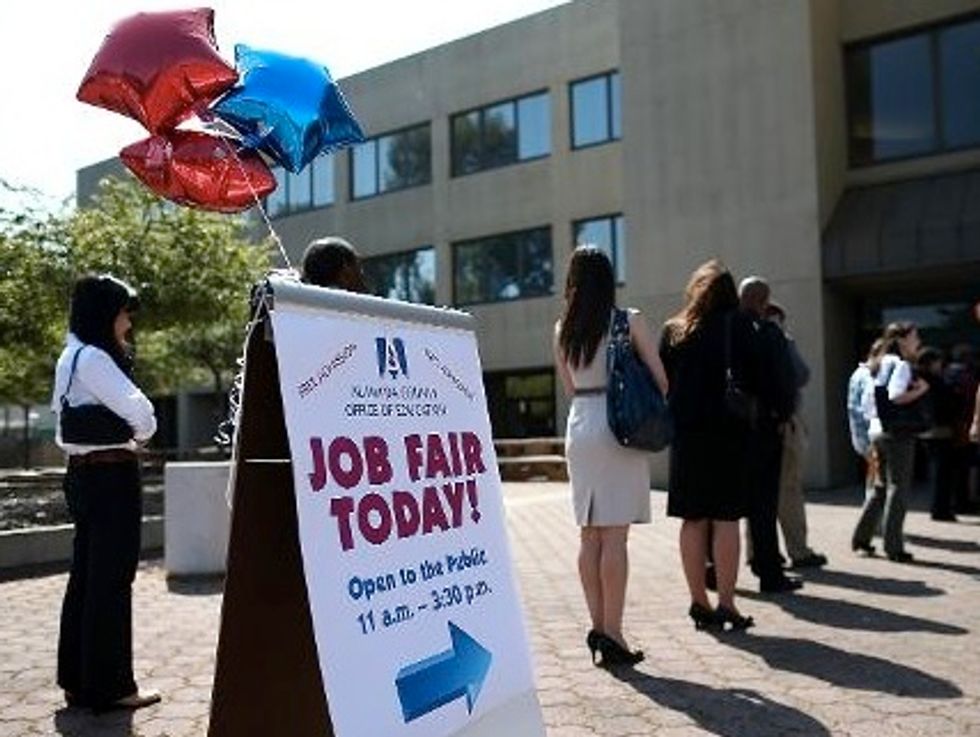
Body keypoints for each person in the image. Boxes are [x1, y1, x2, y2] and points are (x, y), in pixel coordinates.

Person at [554, 246, 668, 666]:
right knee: (615, 537)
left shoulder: (563, 327)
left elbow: (571, 388)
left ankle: (598, 627)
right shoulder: (628, 320)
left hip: (580, 425)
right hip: (618, 426)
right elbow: (660, 378)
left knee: (590, 535)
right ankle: (613, 633)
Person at [51, 275, 160, 711]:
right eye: (122, 313)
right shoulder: (96, 358)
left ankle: (78, 680)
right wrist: (139, 436)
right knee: (112, 582)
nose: (127, 324)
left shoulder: (70, 356)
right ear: (104, 314)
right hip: (112, 477)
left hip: (80, 475)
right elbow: (143, 414)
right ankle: (113, 687)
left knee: (85, 580)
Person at [659, 260, 758, 630]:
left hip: (687, 436)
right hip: (731, 434)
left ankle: (698, 601)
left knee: (693, 519)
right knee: (727, 519)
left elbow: (663, 382)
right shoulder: (742, 324)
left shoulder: (675, 330)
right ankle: (727, 604)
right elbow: (758, 376)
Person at [738, 277, 800, 593]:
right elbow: (786, 381)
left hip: (729, 432)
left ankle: (714, 570)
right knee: (763, 504)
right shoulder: (769, 333)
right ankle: (768, 571)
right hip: (764, 428)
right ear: (765, 301)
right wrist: (784, 415)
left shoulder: (726, 329)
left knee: (722, 508)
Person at [851, 322, 930, 562]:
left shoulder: (879, 363)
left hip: (876, 431)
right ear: (903, 339)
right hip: (897, 434)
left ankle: (861, 539)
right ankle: (893, 546)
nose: (918, 342)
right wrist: (921, 390)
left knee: (880, 487)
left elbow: (869, 402)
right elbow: (896, 396)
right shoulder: (901, 364)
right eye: (915, 337)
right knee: (898, 488)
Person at [764, 302, 827, 568]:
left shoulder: (741, 337)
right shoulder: (780, 340)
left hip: (755, 427)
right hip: (785, 424)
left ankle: (761, 553)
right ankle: (798, 551)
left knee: (761, 494)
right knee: (789, 488)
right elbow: (802, 374)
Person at [917, 347, 957, 521]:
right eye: (938, 361)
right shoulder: (935, 382)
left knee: (937, 472)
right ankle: (941, 510)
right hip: (939, 430)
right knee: (942, 473)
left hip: (925, 431)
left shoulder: (917, 380)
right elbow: (946, 403)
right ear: (931, 362)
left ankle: (939, 508)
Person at [300, 236, 368, 292]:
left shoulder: (299, 304)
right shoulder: (361, 306)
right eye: (358, 268)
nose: (361, 274)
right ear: (346, 271)